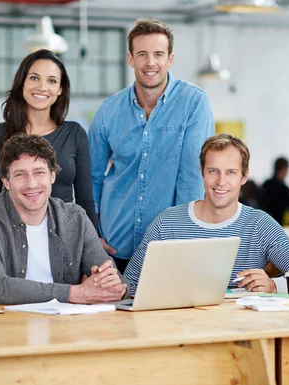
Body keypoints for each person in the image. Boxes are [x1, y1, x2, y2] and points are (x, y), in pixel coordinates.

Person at [124, 134, 289, 296]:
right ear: (202, 172)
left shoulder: (260, 225)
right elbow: (130, 283)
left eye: (231, 172)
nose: (221, 182)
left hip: (241, 335)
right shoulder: (167, 223)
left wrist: (274, 285)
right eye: (213, 171)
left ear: (244, 176)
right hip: (180, 330)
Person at [88, 18, 214, 272]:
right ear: (130, 59)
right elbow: (92, 176)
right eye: (142, 54)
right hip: (113, 246)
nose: (150, 63)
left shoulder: (193, 103)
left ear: (170, 59)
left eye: (158, 54)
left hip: (168, 246)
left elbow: (191, 177)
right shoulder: (109, 110)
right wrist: (90, 235)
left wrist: (184, 236)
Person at [0, 134, 129, 305]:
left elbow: (120, 285)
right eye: (20, 175)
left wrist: (112, 284)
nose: (31, 184)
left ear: (52, 176)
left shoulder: (75, 218)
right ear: (6, 182)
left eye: (39, 173)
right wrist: (74, 293)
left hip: (61, 326)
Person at [0, 49, 97, 231]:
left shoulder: (74, 133)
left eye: (51, 81)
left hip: (67, 236)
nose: (42, 87)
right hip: (13, 237)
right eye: (34, 78)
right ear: (22, 83)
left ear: (60, 89)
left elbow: (85, 199)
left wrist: (93, 242)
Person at [260, 157, 289, 224]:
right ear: (284, 168)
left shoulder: (266, 184)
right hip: (277, 223)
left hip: (264, 222)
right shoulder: (281, 188)